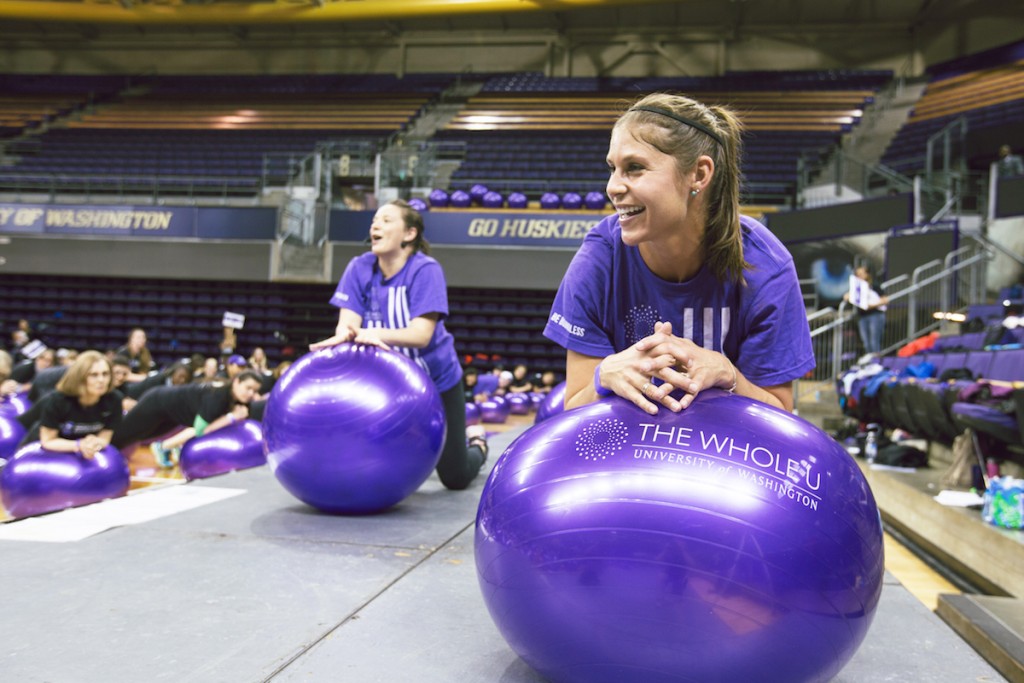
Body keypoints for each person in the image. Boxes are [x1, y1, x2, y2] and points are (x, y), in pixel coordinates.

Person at [544, 93, 815, 415]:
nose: (612, 187)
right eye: (612, 168)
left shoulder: (766, 267)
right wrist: (605, 376)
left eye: (634, 168)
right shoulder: (600, 258)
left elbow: (780, 414)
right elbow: (573, 404)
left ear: (699, 175)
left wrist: (728, 375)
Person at [310, 199, 487, 491]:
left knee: (454, 477)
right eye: (374, 220)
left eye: (386, 220)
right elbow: (348, 323)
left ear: (409, 234)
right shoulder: (359, 267)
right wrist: (342, 336)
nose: (375, 225)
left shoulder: (425, 269)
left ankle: (478, 444)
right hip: (389, 386)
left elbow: (421, 335)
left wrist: (373, 332)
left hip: (438, 380)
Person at [111, 370, 263, 468]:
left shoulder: (240, 402)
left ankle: (164, 447)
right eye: (247, 388)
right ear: (236, 382)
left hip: (171, 416)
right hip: (157, 402)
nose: (250, 393)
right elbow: (200, 430)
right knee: (123, 435)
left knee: (142, 436)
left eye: (254, 391)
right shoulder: (219, 396)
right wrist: (231, 417)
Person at [35, 350, 123, 459]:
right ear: (80, 377)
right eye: (93, 375)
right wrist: (78, 445)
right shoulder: (57, 400)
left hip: (86, 452)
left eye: (105, 374)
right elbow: (48, 441)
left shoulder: (114, 399)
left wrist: (96, 442)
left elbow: (106, 436)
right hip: (50, 453)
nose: (101, 380)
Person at [844, 265, 888, 356]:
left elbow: (885, 300)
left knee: (874, 340)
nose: (859, 276)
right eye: (857, 274)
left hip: (875, 315)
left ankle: (875, 361)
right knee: (866, 341)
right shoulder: (856, 288)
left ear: (867, 274)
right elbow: (846, 296)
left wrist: (871, 306)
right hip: (863, 317)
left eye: (861, 274)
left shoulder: (874, 286)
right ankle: (870, 361)